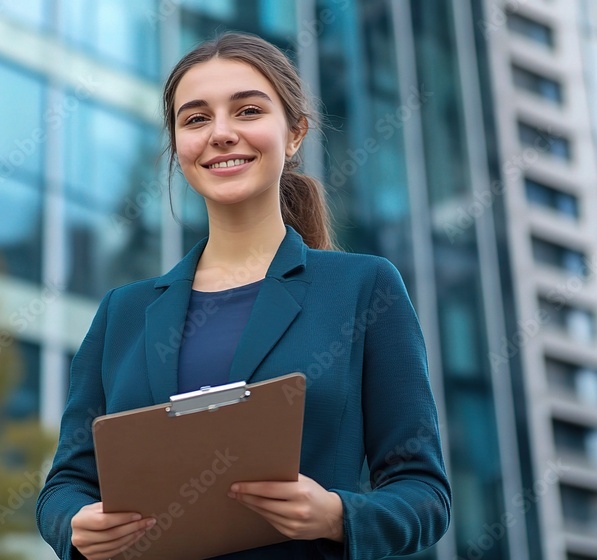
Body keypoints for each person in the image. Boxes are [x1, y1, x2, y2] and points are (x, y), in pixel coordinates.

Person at [36, 31, 451, 560]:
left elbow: (424, 492)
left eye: (248, 111)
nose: (221, 133)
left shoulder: (362, 288)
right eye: (196, 118)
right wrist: (73, 523)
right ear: (178, 147)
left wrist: (338, 515)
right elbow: (66, 484)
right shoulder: (124, 312)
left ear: (295, 133)